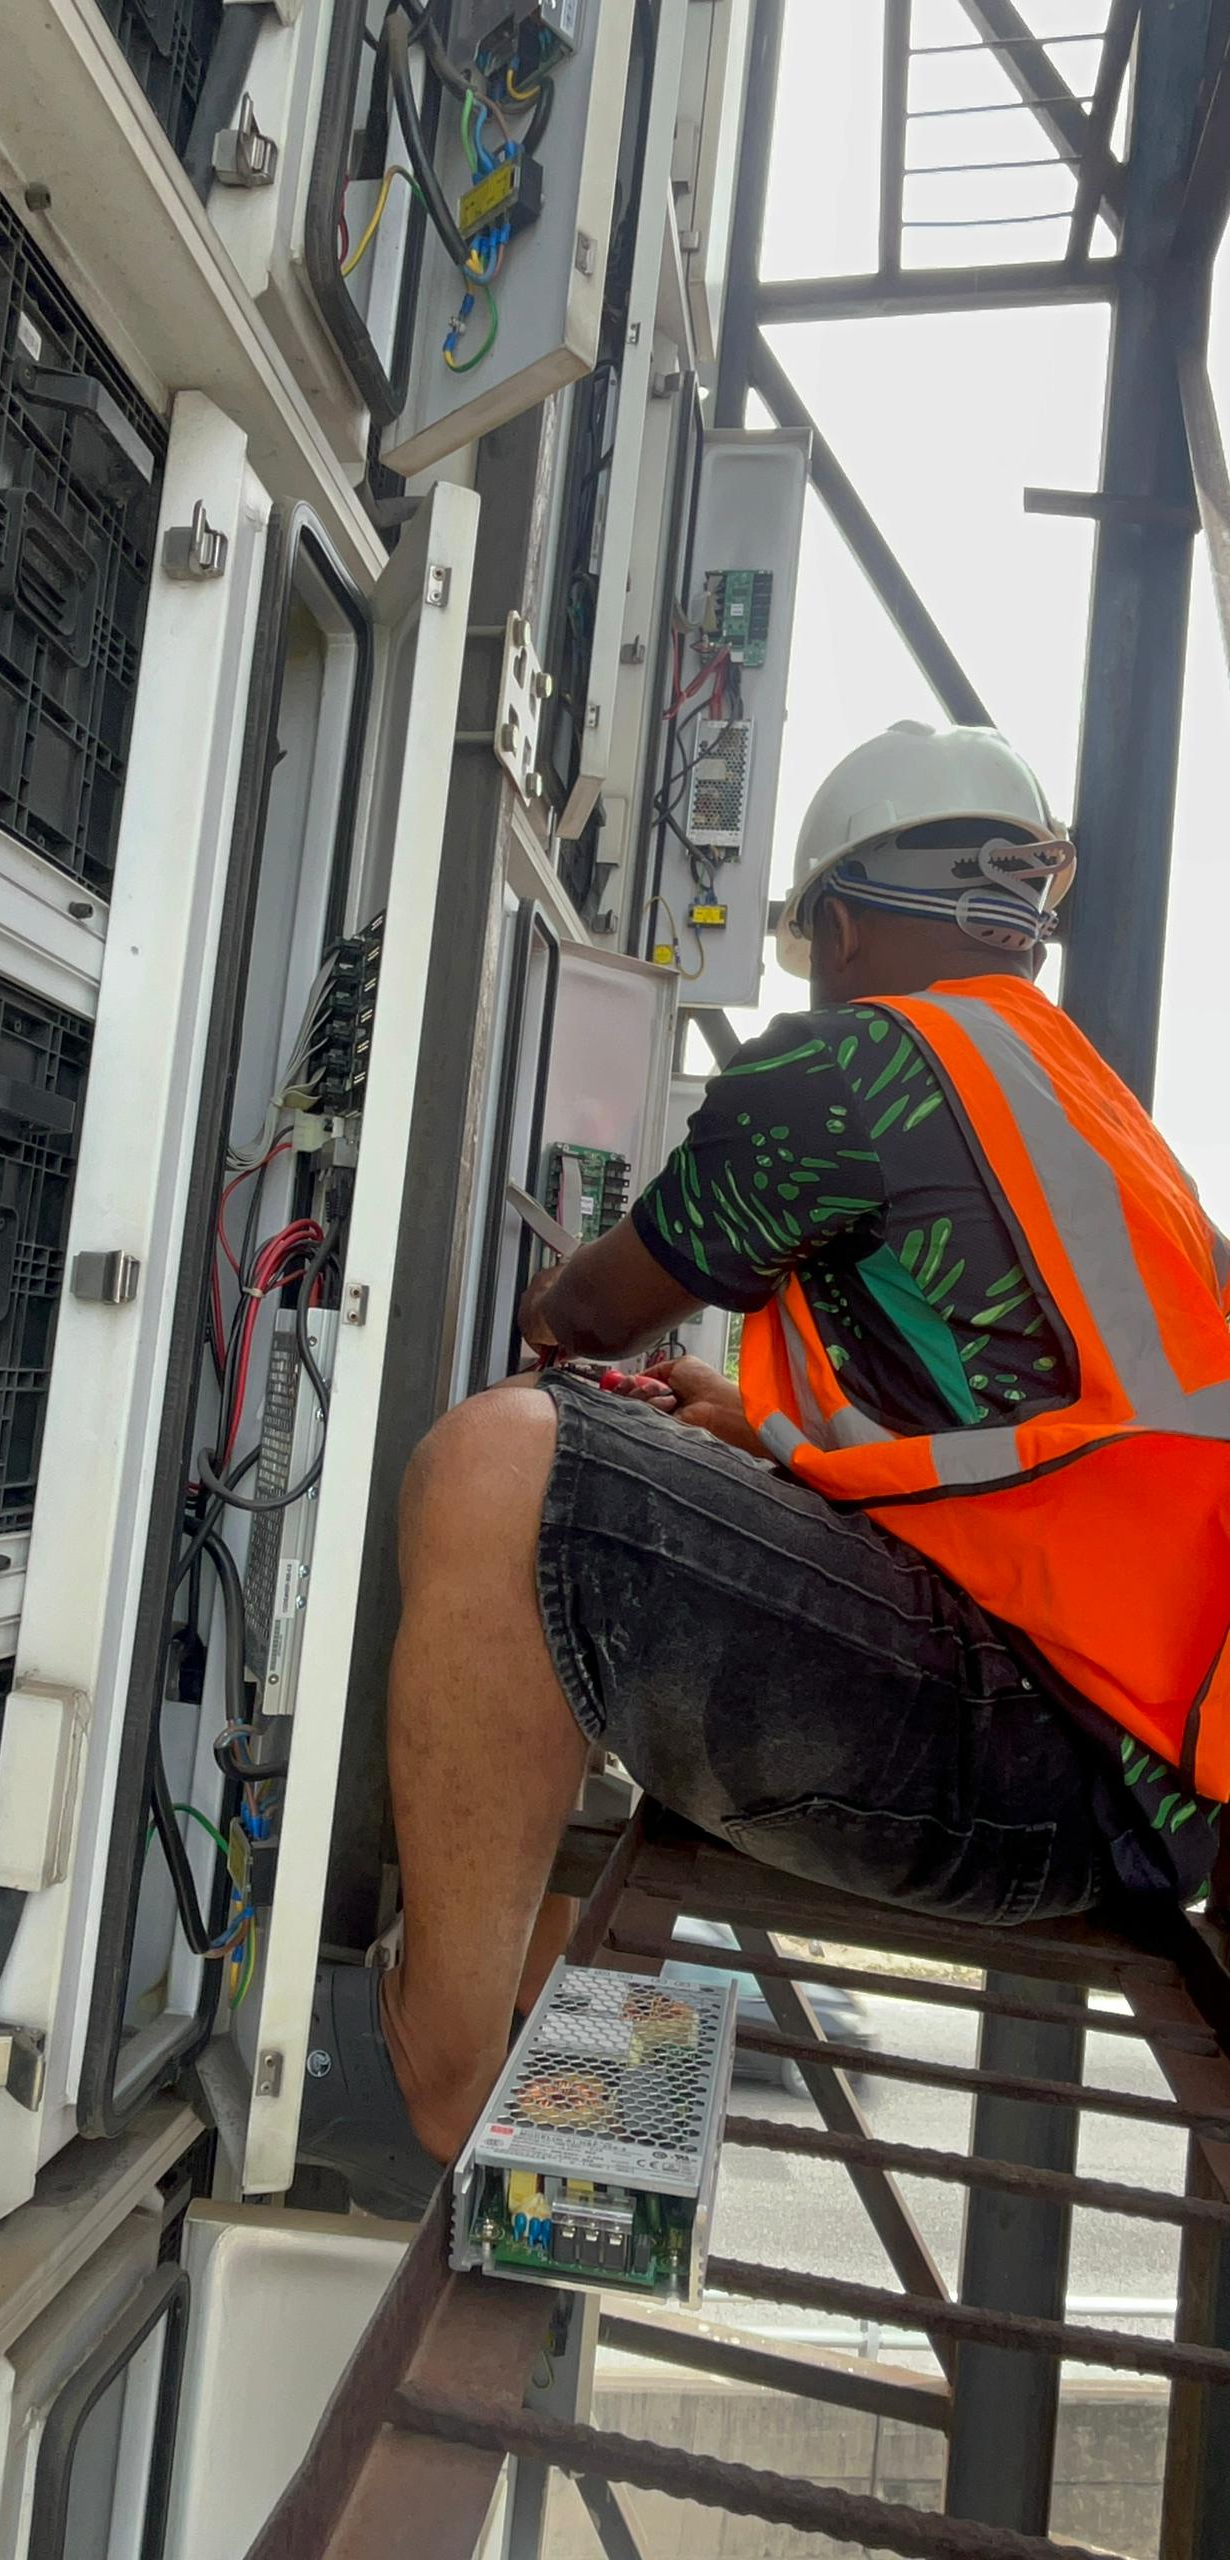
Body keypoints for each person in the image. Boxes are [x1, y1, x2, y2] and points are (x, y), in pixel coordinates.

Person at [300, 719, 1230, 2218]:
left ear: (844, 920)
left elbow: (586, 1312)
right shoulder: (1094, 1109)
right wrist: (746, 1435)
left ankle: (447, 2069)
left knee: (500, 1463)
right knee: (593, 1577)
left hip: (1026, 1748)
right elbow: (1024, 1440)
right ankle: (577, 2186)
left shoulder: (860, 1061)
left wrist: (563, 1330)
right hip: (1138, 1776)